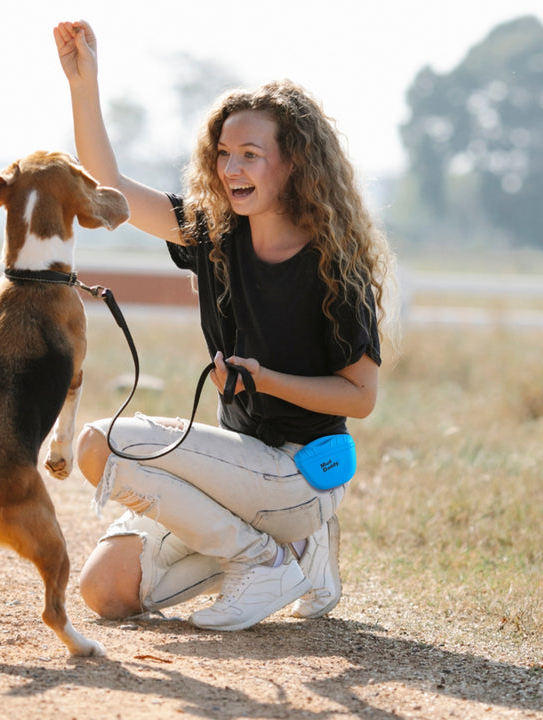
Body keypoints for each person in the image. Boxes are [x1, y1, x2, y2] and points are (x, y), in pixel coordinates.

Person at [53, 20, 396, 631]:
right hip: (237, 470)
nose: (232, 167)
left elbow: (361, 397)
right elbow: (111, 187)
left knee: (99, 443)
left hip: (299, 472)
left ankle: (265, 558)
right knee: (105, 592)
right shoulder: (213, 234)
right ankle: (292, 555)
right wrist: (85, 83)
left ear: (293, 165)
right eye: (223, 154)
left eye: (250, 155)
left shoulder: (333, 264)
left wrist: (266, 379)